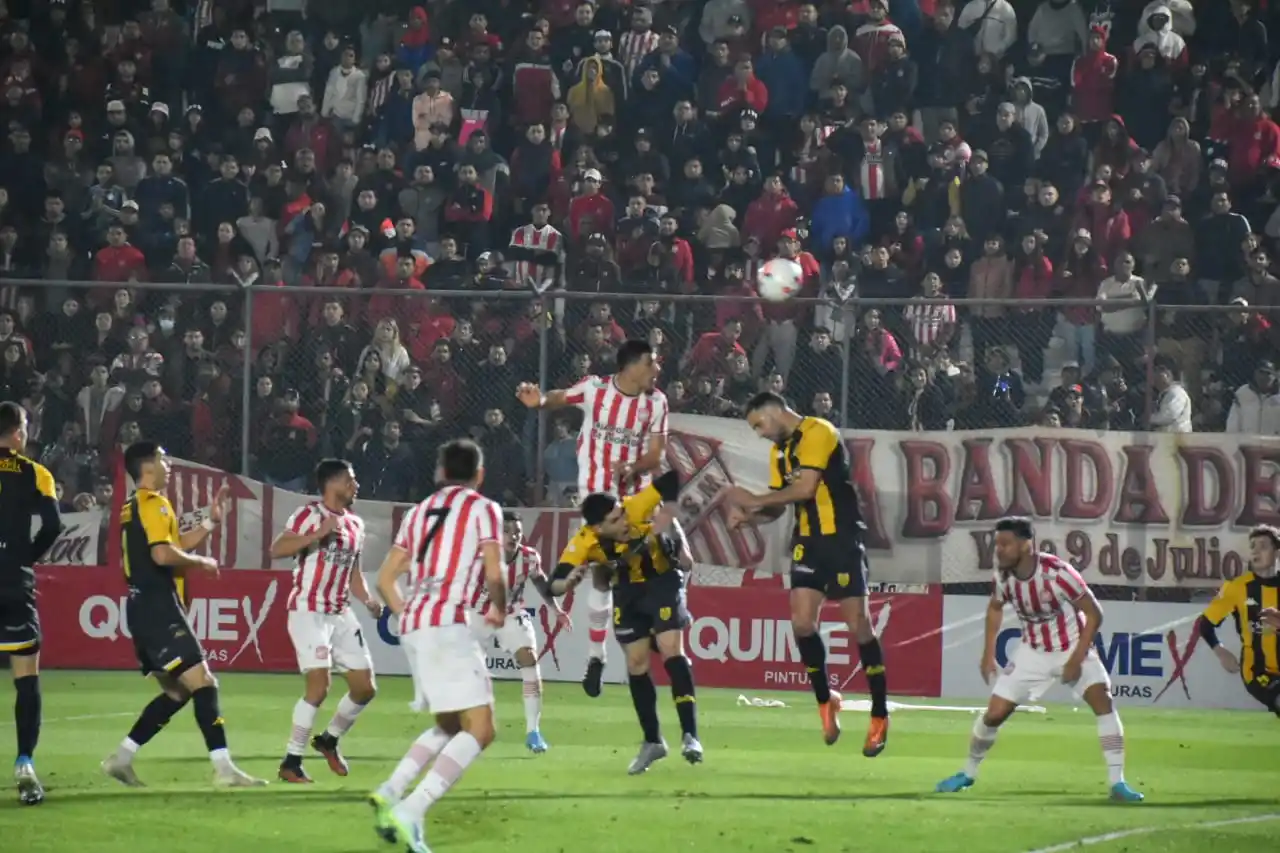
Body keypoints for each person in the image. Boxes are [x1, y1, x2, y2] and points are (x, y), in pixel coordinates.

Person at [724, 392, 890, 757]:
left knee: (858, 626)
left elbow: (805, 488)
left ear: (775, 412)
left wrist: (751, 499)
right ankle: (824, 700)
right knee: (801, 623)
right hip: (808, 542)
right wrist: (750, 516)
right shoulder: (778, 454)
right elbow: (782, 505)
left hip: (842, 538)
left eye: (759, 425)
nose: (760, 434)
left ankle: (879, 713)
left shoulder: (819, 431)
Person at [935, 517, 1143, 802]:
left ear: (1026, 545)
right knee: (994, 713)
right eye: (998, 544)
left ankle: (1117, 782)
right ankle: (967, 773)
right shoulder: (1004, 576)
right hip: (1032, 652)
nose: (999, 550)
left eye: (1005, 544)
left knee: (1103, 700)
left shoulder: (1058, 573)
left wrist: (1076, 659)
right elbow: (995, 608)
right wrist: (987, 653)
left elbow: (1095, 613)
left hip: (1072, 646)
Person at [369, 439, 507, 853]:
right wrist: (500, 607)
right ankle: (412, 810)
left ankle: (391, 790)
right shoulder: (484, 509)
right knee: (481, 729)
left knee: (450, 724)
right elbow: (494, 570)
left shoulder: (417, 512)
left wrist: (409, 617)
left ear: (439, 472)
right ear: (479, 475)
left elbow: (385, 579)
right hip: (448, 622)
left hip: (416, 623)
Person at [101, 442, 264, 788]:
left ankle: (121, 758)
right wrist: (202, 562)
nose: (169, 463)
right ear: (147, 467)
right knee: (204, 683)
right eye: (163, 458)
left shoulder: (135, 505)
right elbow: (162, 555)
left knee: (178, 692)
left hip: (142, 607)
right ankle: (224, 769)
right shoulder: (154, 503)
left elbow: (171, 545)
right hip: (158, 607)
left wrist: (208, 522)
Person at [515, 338, 668, 698]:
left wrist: (634, 465)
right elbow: (556, 398)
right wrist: (536, 400)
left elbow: (657, 455)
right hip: (599, 500)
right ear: (630, 366)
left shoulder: (657, 402)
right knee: (603, 574)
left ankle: (611, 649)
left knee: (647, 568)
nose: (657, 369)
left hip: (636, 496)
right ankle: (598, 657)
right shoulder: (595, 390)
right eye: (652, 363)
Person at [547, 468, 702, 774]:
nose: (624, 522)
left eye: (621, 514)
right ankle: (652, 741)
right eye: (615, 521)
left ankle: (690, 735)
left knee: (671, 647)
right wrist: (568, 583)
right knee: (636, 663)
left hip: (662, 579)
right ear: (597, 528)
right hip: (628, 591)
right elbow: (553, 582)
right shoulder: (584, 541)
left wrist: (667, 512)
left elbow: (671, 478)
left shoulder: (635, 506)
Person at [270, 458, 382, 784]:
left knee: (365, 688)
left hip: (340, 613)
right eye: (350, 480)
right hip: (308, 610)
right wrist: (317, 535)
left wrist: (368, 599)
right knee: (319, 687)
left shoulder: (356, 525)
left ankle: (329, 739)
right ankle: (291, 761)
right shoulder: (309, 515)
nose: (355, 486)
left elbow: (354, 572)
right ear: (331, 484)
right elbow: (277, 548)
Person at [0, 402, 62, 805]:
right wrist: (26, 557)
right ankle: (24, 763)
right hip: (11, 581)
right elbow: (54, 525)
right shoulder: (36, 473)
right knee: (26, 675)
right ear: (19, 433)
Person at [470, 512, 570, 753]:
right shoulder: (481, 555)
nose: (512, 535)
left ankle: (533, 731)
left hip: (511, 613)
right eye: (506, 530)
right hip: (476, 614)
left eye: (516, 531)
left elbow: (540, 582)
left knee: (529, 660)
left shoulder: (528, 557)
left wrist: (556, 610)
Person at [1199, 525, 1280, 717]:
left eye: (1263, 546)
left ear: (1277, 552)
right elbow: (1205, 624)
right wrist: (1220, 652)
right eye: (1253, 546)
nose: (1256, 551)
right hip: (1258, 670)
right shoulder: (1236, 588)